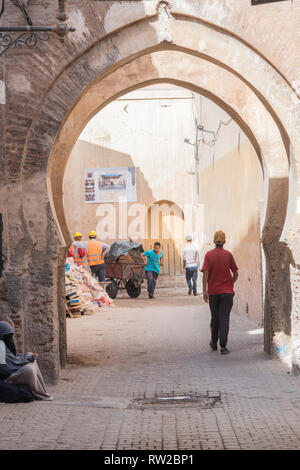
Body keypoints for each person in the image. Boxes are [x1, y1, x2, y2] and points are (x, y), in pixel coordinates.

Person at [202, 231, 238, 355]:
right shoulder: (228, 255)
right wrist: (230, 283)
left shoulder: (208, 255)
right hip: (227, 293)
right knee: (224, 318)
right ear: (224, 241)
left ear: (214, 241)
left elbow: (205, 273)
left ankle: (213, 342)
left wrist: (204, 291)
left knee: (215, 318)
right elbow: (236, 273)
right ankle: (223, 346)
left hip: (213, 292)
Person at [0, 321, 54, 400]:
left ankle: (42, 391)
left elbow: (14, 360)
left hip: (12, 369)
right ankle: (38, 394)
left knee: (31, 358)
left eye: (10, 335)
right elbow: (6, 368)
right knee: (28, 370)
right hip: (6, 376)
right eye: (7, 335)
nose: (9, 338)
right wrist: (25, 360)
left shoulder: (5, 344)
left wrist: (28, 357)